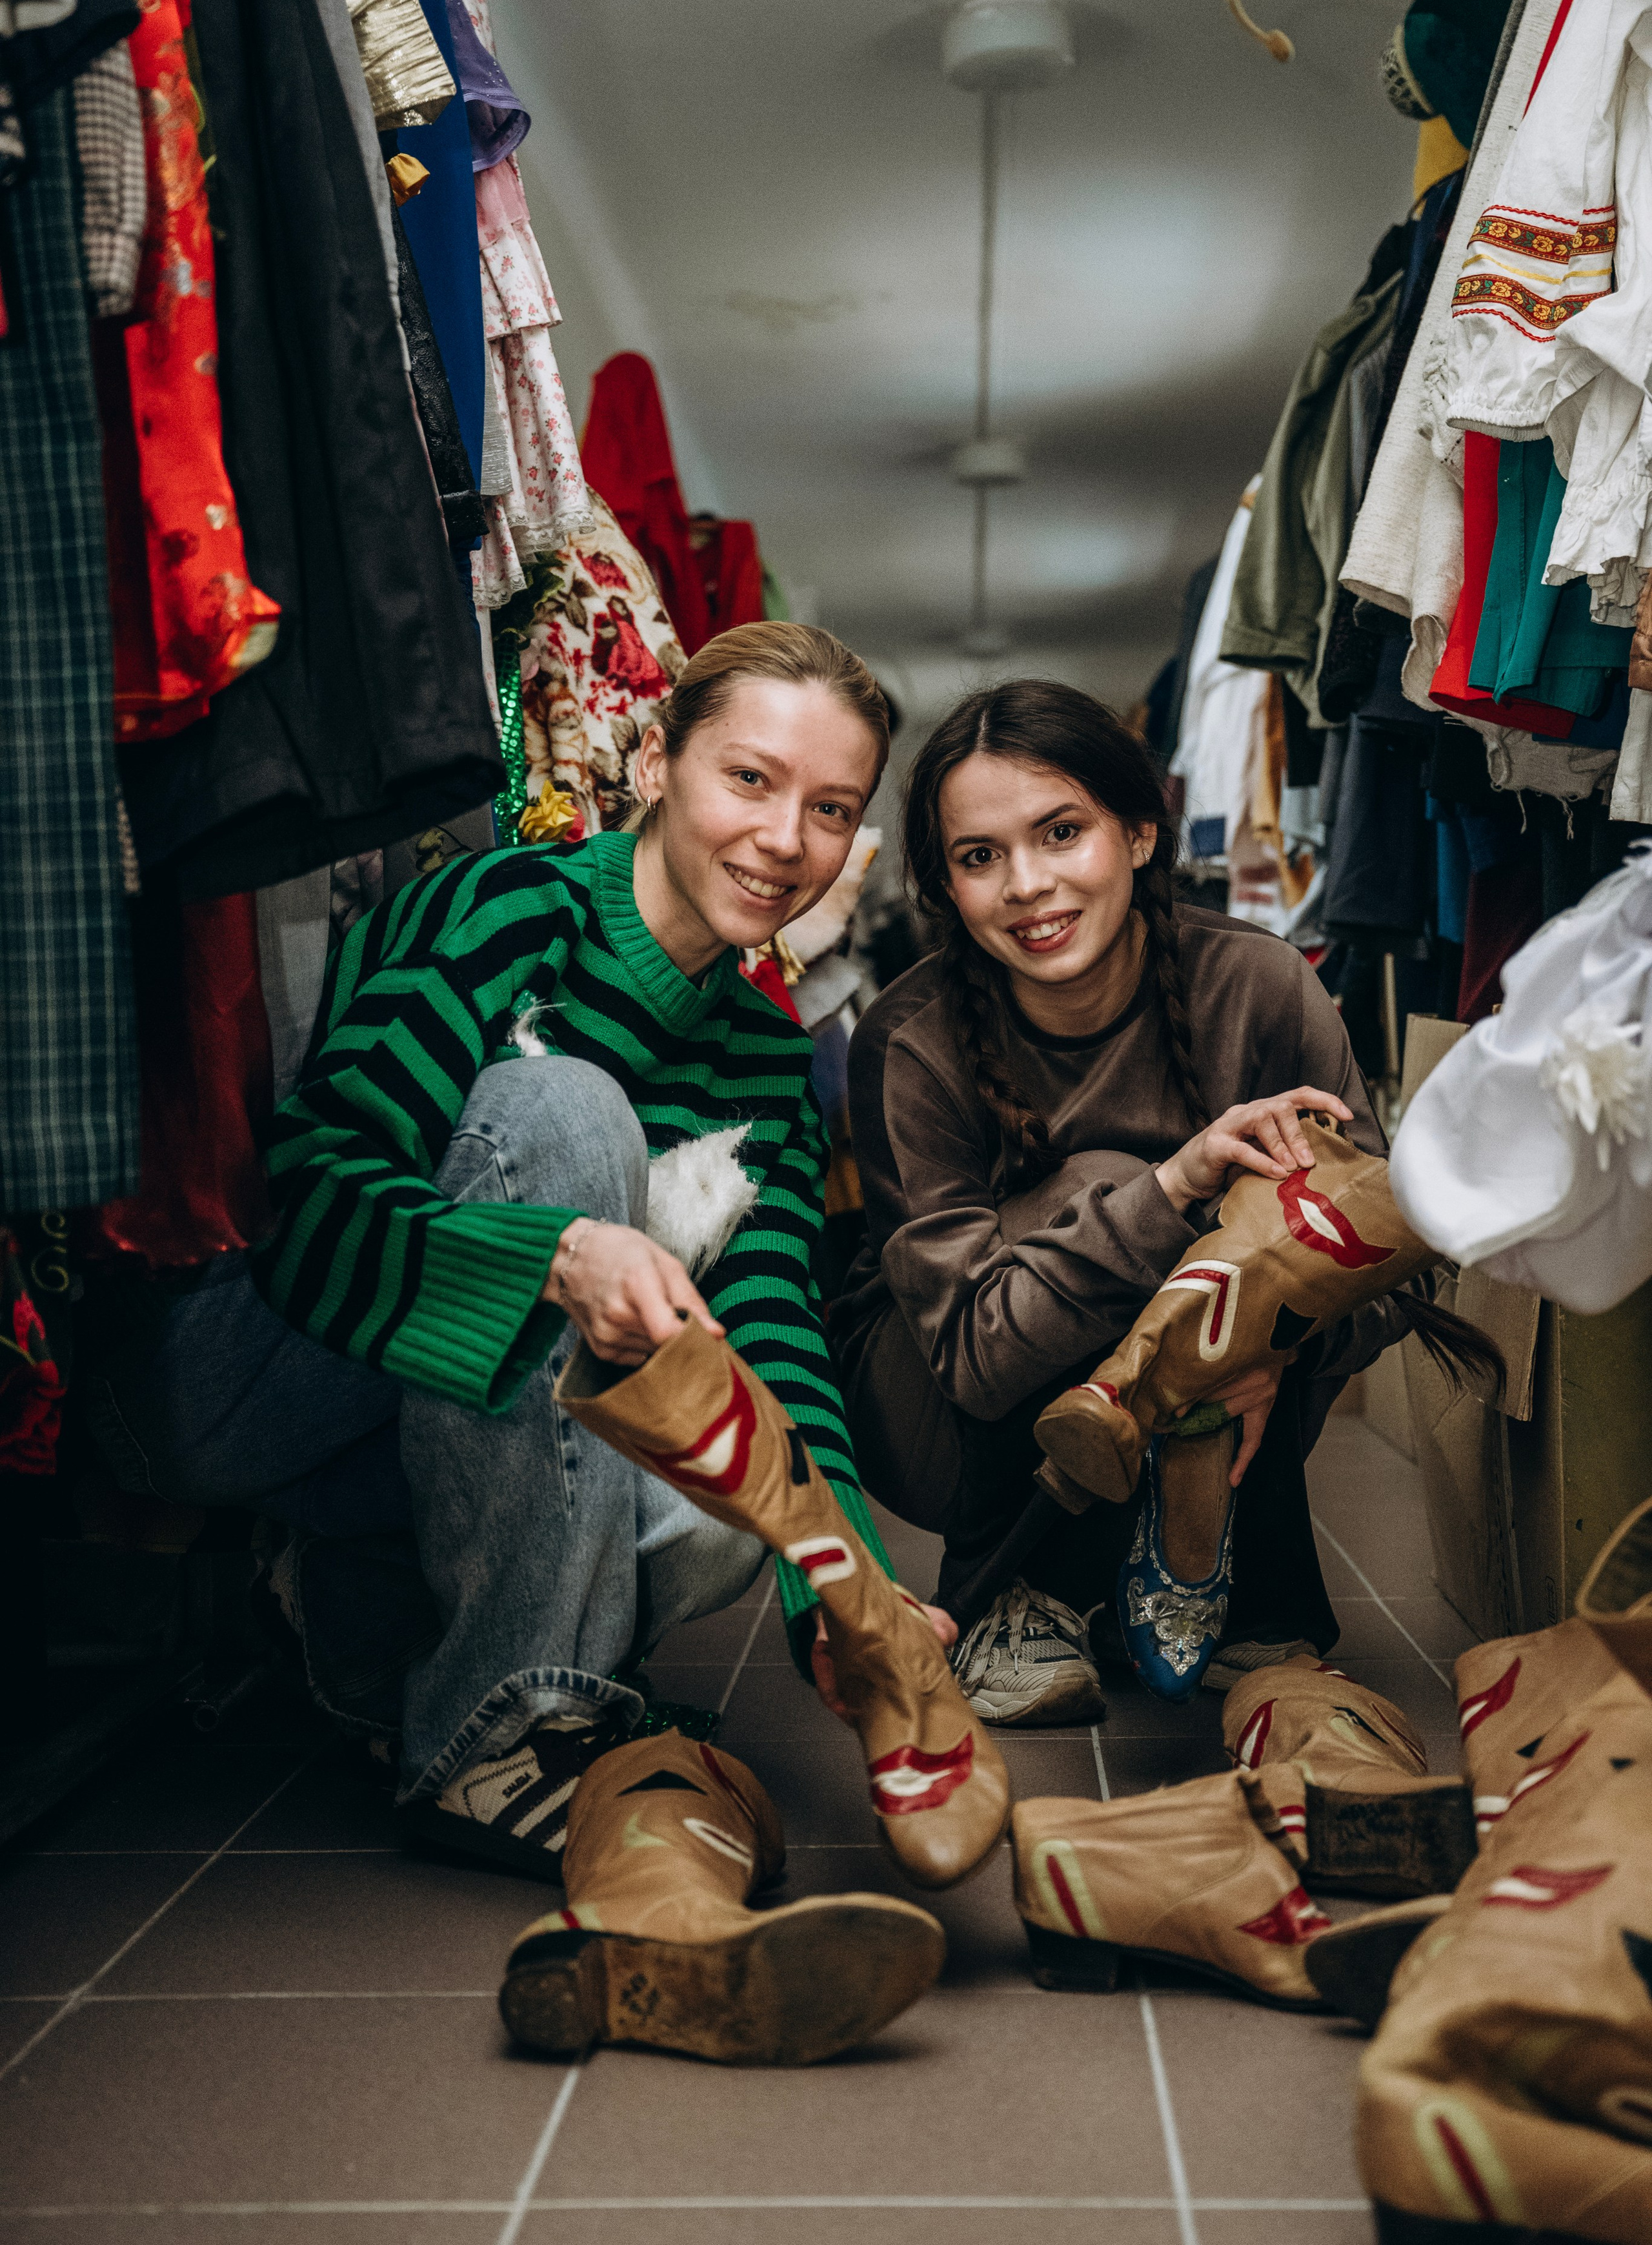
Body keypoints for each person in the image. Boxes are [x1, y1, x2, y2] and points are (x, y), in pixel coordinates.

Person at [84, 621, 931, 1876]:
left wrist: (846, 1588)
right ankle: (507, 1727)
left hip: (431, 1418)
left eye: (829, 809)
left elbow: (774, 1336)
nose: (781, 841)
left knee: (723, 1512)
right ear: (653, 765)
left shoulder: (763, 1055)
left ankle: (379, 1648)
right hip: (238, 1369)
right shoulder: (508, 912)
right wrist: (552, 1258)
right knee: (565, 1111)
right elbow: (310, 1213)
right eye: (747, 779)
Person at [830, 678, 1442, 1723]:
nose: (1027, 884)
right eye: (980, 857)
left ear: (1142, 833)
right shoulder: (910, 1035)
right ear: (946, 887)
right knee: (1108, 1184)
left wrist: (1273, 1346)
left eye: (1061, 832)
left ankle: (1194, 1592)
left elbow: (1387, 1258)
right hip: (933, 1405)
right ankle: (1016, 1600)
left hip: (1218, 1403)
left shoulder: (1262, 986)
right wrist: (1175, 1185)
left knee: (1269, 1229)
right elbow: (973, 1360)